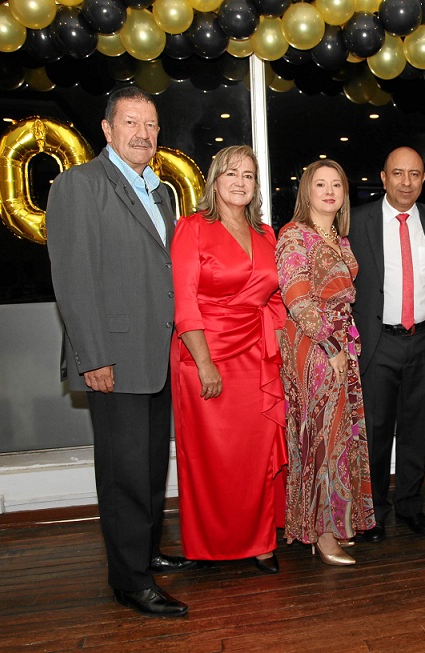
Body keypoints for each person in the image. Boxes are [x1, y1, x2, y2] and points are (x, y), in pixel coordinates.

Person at [46, 86, 193, 618]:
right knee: (124, 471)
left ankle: (146, 551)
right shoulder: (79, 185)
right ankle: (130, 581)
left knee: (151, 467)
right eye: (131, 123)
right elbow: (73, 278)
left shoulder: (158, 192)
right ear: (107, 130)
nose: (143, 134)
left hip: (156, 356)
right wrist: (93, 356)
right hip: (114, 356)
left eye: (151, 125)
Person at [170, 145, 286, 574]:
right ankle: (210, 545)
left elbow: (273, 301)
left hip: (256, 359)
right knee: (211, 458)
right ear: (214, 180)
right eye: (231, 173)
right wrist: (203, 364)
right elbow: (185, 303)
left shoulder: (266, 234)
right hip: (206, 355)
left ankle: (260, 543)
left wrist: (281, 353)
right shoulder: (192, 228)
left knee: (253, 457)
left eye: (249, 175)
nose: (240, 182)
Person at [275, 159, 375, 565]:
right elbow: (296, 297)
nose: (330, 191)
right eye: (321, 184)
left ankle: (335, 522)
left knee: (340, 437)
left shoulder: (340, 239)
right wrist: (332, 347)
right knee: (323, 438)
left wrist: (347, 343)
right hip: (313, 346)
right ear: (307, 191)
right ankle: (323, 534)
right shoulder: (294, 235)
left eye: (337, 184)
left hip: (339, 345)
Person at [348, 147, 425, 542]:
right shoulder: (357, 222)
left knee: (416, 428)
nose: (407, 182)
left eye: (415, 174)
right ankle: (372, 512)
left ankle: (409, 506)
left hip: (424, 338)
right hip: (377, 341)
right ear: (384, 178)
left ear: (424, 179)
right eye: (398, 174)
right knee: (374, 431)